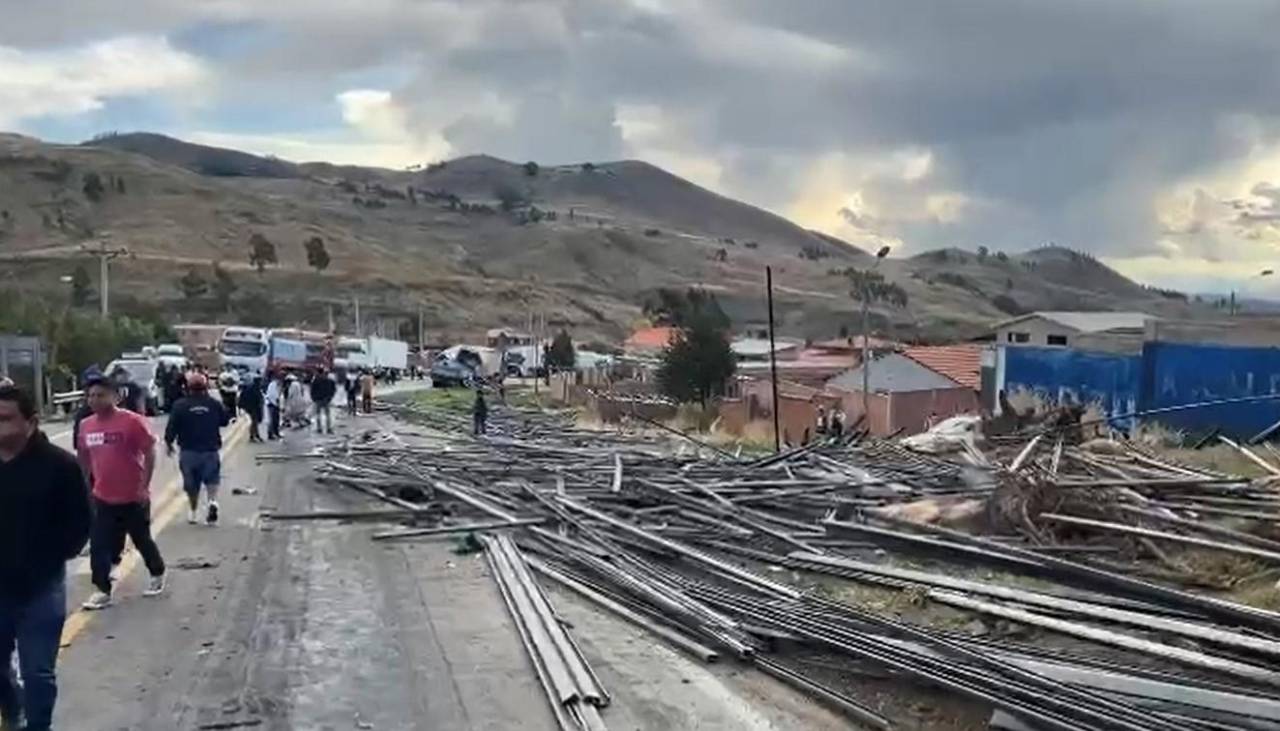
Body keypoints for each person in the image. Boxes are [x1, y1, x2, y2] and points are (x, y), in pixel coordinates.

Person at [0, 385, 92, 731]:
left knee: (38, 672)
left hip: (41, 587)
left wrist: (45, 557)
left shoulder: (60, 466)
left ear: (31, 422)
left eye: (5, 419)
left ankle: (38, 725)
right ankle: (12, 711)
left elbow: (80, 524)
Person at [77, 375, 166, 610]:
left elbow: (150, 452)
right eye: (91, 396)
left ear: (115, 397)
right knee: (99, 543)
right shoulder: (86, 426)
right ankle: (102, 590)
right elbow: (84, 460)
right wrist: (83, 487)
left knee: (141, 539)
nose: (94, 400)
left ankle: (157, 572)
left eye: (100, 395)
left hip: (132, 496)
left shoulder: (132, 422)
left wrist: (144, 486)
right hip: (103, 496)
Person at [165, 373, 230, 525]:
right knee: (212, 479)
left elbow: (171, 427)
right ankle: (212, 501)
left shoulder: (180, 405)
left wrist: (169, 443)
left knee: (191, 485)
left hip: (189, 452)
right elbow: (225, 421)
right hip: (210, 450)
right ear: (205, 387)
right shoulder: (214, 404)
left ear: (188, 388)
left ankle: (193, 511)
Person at [309, 368, 337, 435]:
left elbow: (312, 390)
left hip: (318, 399)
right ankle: (328, 429)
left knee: (319, 415)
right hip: (326, 400)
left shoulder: (316, 381)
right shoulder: (329, 381)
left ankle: (319, 429)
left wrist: (314, 398)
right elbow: (333, 390)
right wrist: (330, 397)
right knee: (327, 415)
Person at [240, 375, 264, 443]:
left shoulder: (253, 388)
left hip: (251, 408)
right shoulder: (254, 389)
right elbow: (256, 399)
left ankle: (255, 435)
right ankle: (253, 436)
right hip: (253, 408)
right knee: (254, 422)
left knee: (254, 422)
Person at [265, 372, 283, 440]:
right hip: (272, 404)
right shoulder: (272, 385)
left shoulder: (277, 385)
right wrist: (275, 403)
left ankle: (276, 433)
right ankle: (270, 434)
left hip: (275, 404)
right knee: (271, 420)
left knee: (276, 420)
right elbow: (271, 396)